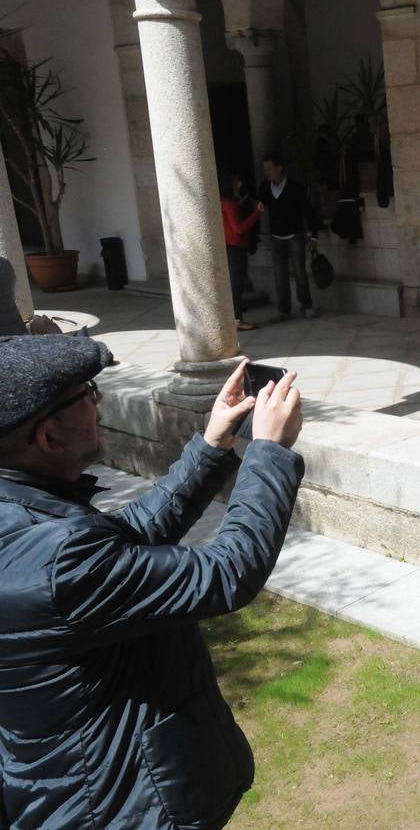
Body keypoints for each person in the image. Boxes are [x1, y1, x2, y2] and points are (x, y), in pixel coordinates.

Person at [0, 336, 304, 828]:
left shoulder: (22, 517)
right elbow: (229, 571)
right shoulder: (58, 563)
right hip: (117, 811)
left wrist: (212, 444)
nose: (98, 403)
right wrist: (268, 451)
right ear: (49, 438)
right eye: (87, 393)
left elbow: (125, 538)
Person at [258, 151, 319, 321]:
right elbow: (261, 208)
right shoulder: (264, 188)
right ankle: (283, 309)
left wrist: (313, 235)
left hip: (294, 236)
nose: (267, 172)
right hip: (276, 237)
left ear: (279, 168)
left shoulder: (295, 187)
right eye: (265, 169)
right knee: (279, 275)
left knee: (300, 272)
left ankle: (306, 305)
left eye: (270, 169)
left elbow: (307, 211)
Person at [221, 172, 265, 332]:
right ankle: (237, 319)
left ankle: (235, 318)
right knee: (236, 284)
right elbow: (238, 228)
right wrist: (257, 214)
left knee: (235, 284)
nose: (239, 182)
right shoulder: (229, 202)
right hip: (235, 246)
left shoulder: (225, 201)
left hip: (229, 245)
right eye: (236, 179)